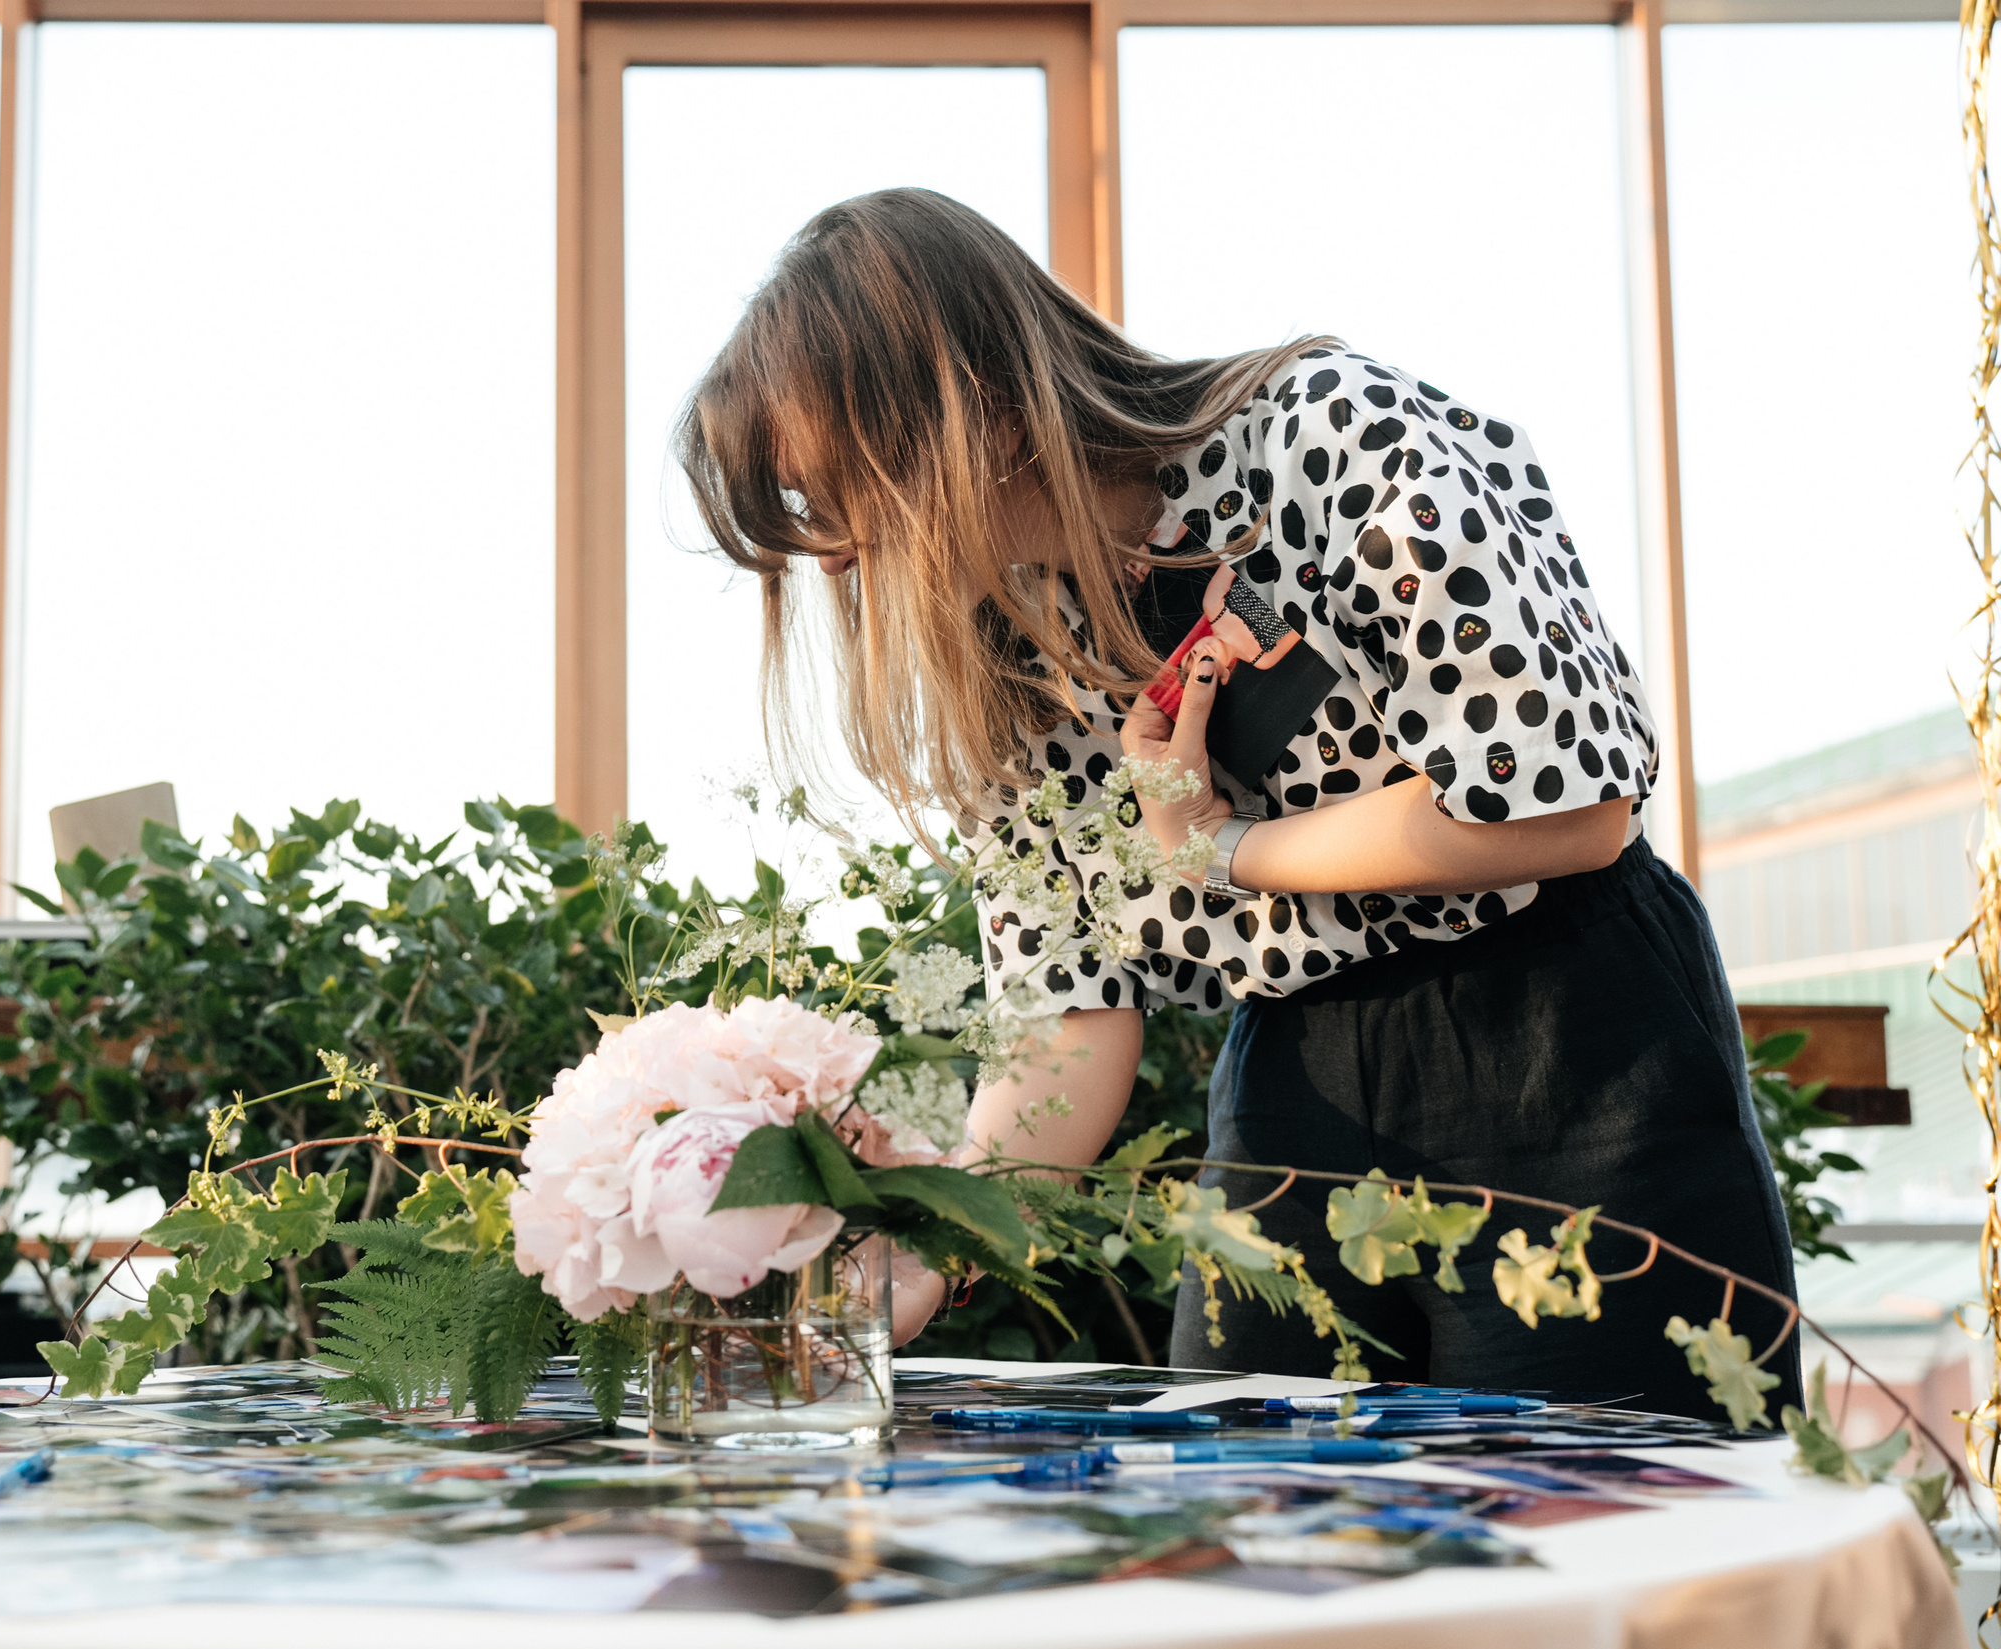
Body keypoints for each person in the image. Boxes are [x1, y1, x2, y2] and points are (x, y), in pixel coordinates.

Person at [674, 187, 1798, 1423]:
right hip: (1293, 1083)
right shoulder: (997, 654)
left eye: (826, 493)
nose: (830, 555)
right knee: (1259, 1545)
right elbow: (1065, 1023)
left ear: (963, 409)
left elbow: (1561, 807)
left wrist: (1224, 849)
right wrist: (911, 1256)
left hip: (1570, 1038)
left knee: (1608, 1521)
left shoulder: (1332, 435)